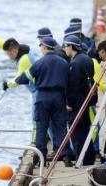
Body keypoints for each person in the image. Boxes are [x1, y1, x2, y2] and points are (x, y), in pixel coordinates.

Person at [15, 37, 73, 167]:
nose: (40, 48)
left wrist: (17, 80)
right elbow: (69, 83)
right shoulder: (63, 63)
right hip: (59, 97)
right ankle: (66, 155)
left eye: (40, 45)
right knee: (61, 127)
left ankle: (41, 158)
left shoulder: (40, 63)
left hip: (43, 97)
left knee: (41, 128)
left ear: (44, 47)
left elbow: (26, 78)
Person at [0, 25, 37, 143]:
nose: (8, 56)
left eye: (8, 54)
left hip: (39, 91)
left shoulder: (24, 59)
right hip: (37, 90)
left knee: (36, 121)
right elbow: (3, 45)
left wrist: (7, 85)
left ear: (14, 51)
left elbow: (18, 80)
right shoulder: (19, 49)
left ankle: (35, 145)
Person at [64, 35, 96, 165]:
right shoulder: (87, 59)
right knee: (85, 129)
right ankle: (89, 157)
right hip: (86, 99)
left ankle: (82, 157)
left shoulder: (75, 63)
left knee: (77, 130)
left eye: (65, 46)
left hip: (77, 102)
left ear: (71, 46)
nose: (65, 49)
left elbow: (73, 86)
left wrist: (69, 103)